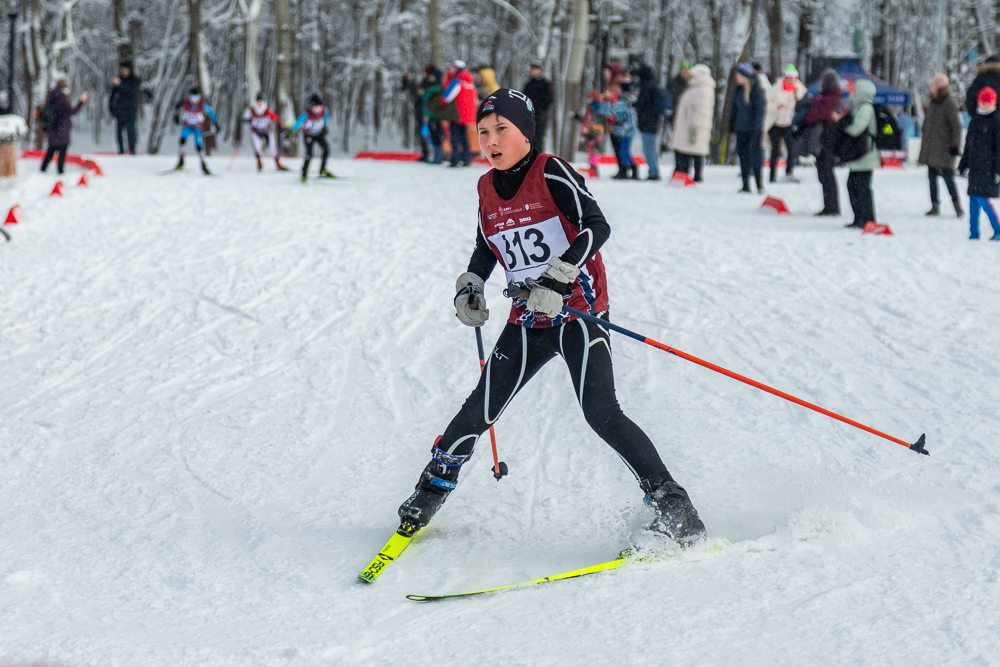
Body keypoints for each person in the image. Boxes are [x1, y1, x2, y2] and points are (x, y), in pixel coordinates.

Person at [395, 88, 706, 547]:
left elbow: (596, 226)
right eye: (483, 133)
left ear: (525, 132)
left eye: (502, 129)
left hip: (577, 311)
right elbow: (487, 246)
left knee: (601, 411)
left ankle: (675, 507)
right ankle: (428, 493)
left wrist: (559, 277)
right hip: (527, 317)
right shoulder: (485, 187)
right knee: (478, 409)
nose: (491, 141)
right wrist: (471, 284)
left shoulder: (551, 170)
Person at [957, 87, 1000, 240]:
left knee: (983, 199)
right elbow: (969, 146)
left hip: (988, 169)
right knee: (973, 201)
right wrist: (963, 165)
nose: (986, 105)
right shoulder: (975, 121)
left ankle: (998, 229)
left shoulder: (996, 121)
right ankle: (973, 232)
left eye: (989, 102)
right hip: (975, 168)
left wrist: (997, 170)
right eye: (983, 101)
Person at [918, 73, 962, 217]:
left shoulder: (948, 103)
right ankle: (935, 206)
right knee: (931, 178)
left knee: (948, 178)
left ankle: (957, 207)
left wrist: (954, 145)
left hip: (944, 148)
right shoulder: (934, 102)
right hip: (932, 148)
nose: (930, 88)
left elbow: (956, 126)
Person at [804, 70, 844, 216]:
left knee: (825, 175)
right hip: (833, 141)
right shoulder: (837, 99)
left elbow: (811, 117)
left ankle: (831, 207)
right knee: (828, 174)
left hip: (825, 142)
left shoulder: (827, 100)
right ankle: (832, 205)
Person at [842, 79, 880, 229]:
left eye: (855, 89)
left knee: (862, 188)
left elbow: (858, 127)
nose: (852, 92)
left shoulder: (865, 108)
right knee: (853, 185)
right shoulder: (858, 107)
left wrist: (843, 133)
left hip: (866, 155)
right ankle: (860, 218)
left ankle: (867, 219)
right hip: (860, 155)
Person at [668, 64, 715, 183]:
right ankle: (683, 173)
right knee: (688, 150)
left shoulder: (703, 89)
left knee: (694, 151)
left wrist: (695, 126)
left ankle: (695, 176)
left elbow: (702, 110)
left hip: (693, 126)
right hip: (687, 125)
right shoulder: (695, 87)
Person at [764, 64, 806, 183]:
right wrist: (777, 106)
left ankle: (789, 173)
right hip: (776, 124)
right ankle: (772, 176)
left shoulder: (799, 89)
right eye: (789, 78)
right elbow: (767, 103)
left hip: (789, 124)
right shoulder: (776, 88)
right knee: (775, 151)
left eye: (793, 79)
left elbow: (803, 104)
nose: (791, 81)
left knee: (791, 149)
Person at [729, 62, 766, 193]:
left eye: (738, 74)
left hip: (753, 129)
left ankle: (759, 184)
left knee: (755, 156)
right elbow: (733, 109)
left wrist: (757, 128)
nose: (736, 77)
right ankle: (745, 185)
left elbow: (759, 111)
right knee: (743, 156)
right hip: (741, 128)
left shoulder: (756, 90)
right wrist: (732, 126)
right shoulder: (738, 90)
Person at [40, 77, 88, 175]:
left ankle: (42, 170)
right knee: (62, 150)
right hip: (61, 129)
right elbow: (72, 111)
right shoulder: (62, 97)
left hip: (53, 129)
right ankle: (60, 171)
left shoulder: (51, 96)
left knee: (51, 150)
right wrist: (81, 101)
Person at [594, 78, 639, 180]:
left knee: (623, 151)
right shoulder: (630, 101)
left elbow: (609, 111)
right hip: (629, 130)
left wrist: (602, 103)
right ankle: (629, 170)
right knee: (624, 151)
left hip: (625, 131)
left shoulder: (623, 102)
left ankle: (630, 170)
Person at [172, 86, 217, 174]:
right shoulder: (185, 103)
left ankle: (203, 165)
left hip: (197, 128)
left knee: (199, 147)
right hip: (187, 126)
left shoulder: (202, 105)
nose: (194, 100)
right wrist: (176, 117)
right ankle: (181, 161)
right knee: (182, 141)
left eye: (196, 98)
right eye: (192, 98)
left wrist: (215, 123)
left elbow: (211, 113)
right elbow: (177, 108)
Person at [238, 93, 288, 172]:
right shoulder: (252, 110)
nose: (260, 103)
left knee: (273, 147)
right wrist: (246, 120)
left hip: (267, 132)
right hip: (256, 132)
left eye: (261, 101)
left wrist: (280, 126)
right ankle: (259, 164)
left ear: (264, 102)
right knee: (257, 147)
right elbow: (243, 118)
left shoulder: (267, 110)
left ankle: (278, 164)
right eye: (258, 101)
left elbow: (276, 118)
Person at [442, 60, 478, 167]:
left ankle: (455, 160)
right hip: (467, 116)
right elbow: (475, 101)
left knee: (454, 138)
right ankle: (466, 158)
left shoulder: (457, 82)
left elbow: (445, 98)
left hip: (456, 115)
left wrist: (448, 79)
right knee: (464, 137)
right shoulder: (471, 84)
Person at [291, 93, 333, 182]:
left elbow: (326, 118)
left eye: (319, 107)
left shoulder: (325, 110)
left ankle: (322, 170)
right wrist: (291, 130)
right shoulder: (307, 113)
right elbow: (298, 123)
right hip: (308, 135)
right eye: (315, 107)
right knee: (309, 154)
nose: (317, 109)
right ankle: (304, 174)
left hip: (318, 133)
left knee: (326, 149)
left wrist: (325, 126)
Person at [633, 62, 662, 180]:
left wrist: (634, 104)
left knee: (648, 148)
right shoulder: (654, 85)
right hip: (654, 121)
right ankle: (654, 170)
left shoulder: (646, 87)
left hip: (647, 122)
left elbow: (642, 103)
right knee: (651, 147)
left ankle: (653, 172)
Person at [109, 60, 141, 155]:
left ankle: (132, 150)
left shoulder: (135, 80)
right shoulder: (118, 80)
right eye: (121, 69)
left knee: (131, 132)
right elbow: (112, 96)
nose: (123, 71)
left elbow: (131, 91)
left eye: (125, 69)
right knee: (119, 133)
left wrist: (120, 84)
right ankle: (121, 151)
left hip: (131, 111)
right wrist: (111, 109)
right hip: (119, 111)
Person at [523, 63, 553, 153]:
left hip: (540, 115)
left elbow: (549, 99)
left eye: (536, 69)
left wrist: (542, 110)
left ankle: (538, 159)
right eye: (533, 69)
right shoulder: (528, 84)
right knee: (528, 138)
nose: (534, 72)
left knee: (538, 138)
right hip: (528, 115)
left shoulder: (545, 84)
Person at [421, 67, 447, 164]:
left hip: (434, 116)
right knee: (435, 135)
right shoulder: (434, 87)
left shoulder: (435, 88)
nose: (430, 77)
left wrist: (427, 114)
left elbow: (429, 102)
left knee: (436, 136)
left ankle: (438, 157)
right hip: (433, 115)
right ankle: (438, 156)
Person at [401, 73, 426, 160]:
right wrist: (408, 81)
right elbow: (409, 89)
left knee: (426, 133)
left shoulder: (428, 85)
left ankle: (429, 154)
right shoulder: (421, 85)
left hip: (425, 113)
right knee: (422, 132)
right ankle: (425, 153)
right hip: (420, 111)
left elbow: (419, 93)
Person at [665, 62, 692, 129]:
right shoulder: (673, 82)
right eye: (684, 71)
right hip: (675, 115)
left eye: (687, 71)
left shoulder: (691, 84)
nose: (685, 73)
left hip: (687, 116)